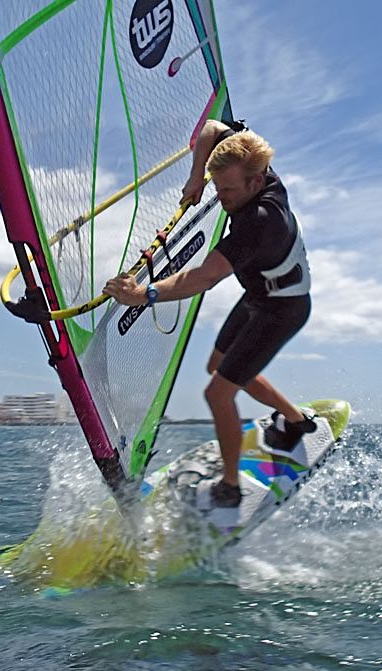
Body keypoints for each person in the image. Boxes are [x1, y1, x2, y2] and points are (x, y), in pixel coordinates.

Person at [103, 119, 315, 507]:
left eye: (228, 190)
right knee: (219, 366)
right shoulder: (248, 162)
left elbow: (201, 278)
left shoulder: (260, 222)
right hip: (259, 296)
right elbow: (213, 128)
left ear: (256, 182)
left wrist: (142, 295)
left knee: (218, 393)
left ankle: (231, 487)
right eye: (219, 187)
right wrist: (196, 177)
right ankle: (296, 421)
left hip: (283, 308)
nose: (221, 196)